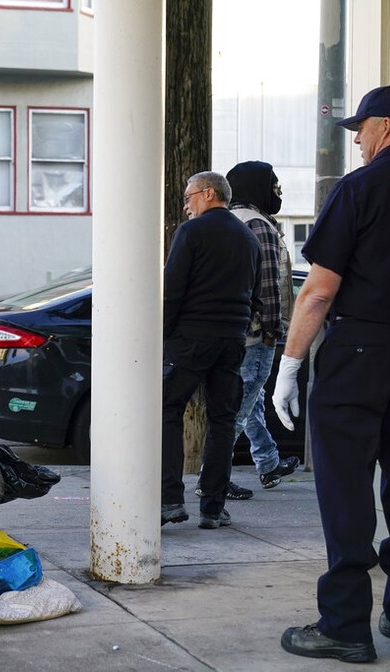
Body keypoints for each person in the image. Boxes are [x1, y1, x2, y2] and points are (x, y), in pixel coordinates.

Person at [274, 85, 390, 663]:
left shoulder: (359, 188)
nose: (356, 138)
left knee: (346, 486)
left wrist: (287, 367)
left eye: (361, 128)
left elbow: (318, 292)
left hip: (360, 349)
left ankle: (346, 624)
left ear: (385, 127)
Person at [162, 171, 261, 529]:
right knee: (222, 420)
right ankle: (213, 506)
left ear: (207, 194)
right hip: (231, 341)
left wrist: (165, 333)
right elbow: (255, 294)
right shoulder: (249, 238)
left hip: (190, 339)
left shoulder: (191, 232)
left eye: (188, 197)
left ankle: (170, 499)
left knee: (167, 410)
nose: (186, 205)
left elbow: (173, 288)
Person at [195, 161, 299, 501]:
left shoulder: (218, 221)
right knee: (237, 409)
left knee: (245, 401)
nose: (277, 193)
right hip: (255, 335)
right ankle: (213, 481)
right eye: (274, 185)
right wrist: (272, 331)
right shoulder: (260, 226)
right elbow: (269, 285)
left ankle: (268, 463)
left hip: (222, 331)